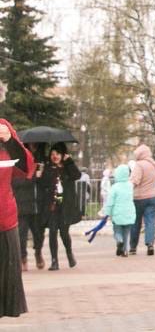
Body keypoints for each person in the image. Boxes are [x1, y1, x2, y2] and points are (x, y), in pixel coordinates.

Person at [0, 120, 34, 317]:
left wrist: (10, 140)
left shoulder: (4, 129)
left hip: (4, 220)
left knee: (5, 282)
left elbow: (26, 167)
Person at [37, 142, 81, 270]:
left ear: (62, 155)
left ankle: (69, 253)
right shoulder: (49, 168)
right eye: (52, 154)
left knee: (64, 233)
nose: (54, 156)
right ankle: (54, 261)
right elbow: (43, 184)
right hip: (52, 206)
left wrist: (69, 161)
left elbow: (77, 175)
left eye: (57, 154)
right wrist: (39, 175)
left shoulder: (67, 167)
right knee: (52, 233)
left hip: (64, 206)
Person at [12, 147, 44, 271]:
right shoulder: (16, 169)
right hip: (22, 207)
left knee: (38, 234)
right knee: (22, 235)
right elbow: (17, 183)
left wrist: (39, 174)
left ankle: (38, 253)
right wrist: (33, 177)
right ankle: (23, 258)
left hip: (36, 207)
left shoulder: (35, 167)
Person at [129, 144, 155, 255]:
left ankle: (133, 247)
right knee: (150, 221)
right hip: (153, 197)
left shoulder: (139, 165)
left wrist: (127, 188)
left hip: (139, 198)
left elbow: (135, 180)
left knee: (136, 222)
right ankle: (150, 244)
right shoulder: (153, 165)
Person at [102, 163, 136, 257]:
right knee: (126, 233)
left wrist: (107, 213)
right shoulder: (130, 186)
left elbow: (110, 202)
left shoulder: (115, 187)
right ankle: (125, 251)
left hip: (117, 214)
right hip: (129, 213)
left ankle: (119, 241)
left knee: (117, 231)